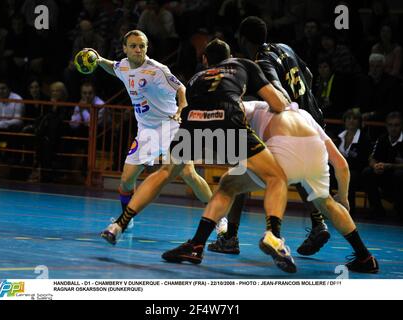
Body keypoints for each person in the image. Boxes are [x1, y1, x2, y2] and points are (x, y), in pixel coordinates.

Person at [161, 39, 293, 272]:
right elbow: (280, 103)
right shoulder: (258, 86)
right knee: (231, 184)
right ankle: (210, 242)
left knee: (260, 180)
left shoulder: (236, 99)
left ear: (206, 61)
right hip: (301, 149)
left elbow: (271, 105)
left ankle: (271, 235)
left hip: (268, 146)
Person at [213, 100, 379, 273]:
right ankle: (365, 257)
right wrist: (343, 198)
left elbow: (233, 111)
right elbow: (341, 164)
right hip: (313, 153)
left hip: (282, 151)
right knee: (328, 203)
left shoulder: (254, 108)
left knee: (229, 183)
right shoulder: (304, 115)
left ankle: (207, 242)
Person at [210, 16, 328, 257]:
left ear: (242, 39)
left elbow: (280, 98)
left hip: (290, 123)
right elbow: (309, 75)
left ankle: (231, 237)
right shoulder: (284, 49)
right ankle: (318, 224)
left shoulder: (261, 62)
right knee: (297, 175)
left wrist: (251, 106)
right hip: (312, 116)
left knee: (242, 165)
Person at [86, 30, 217, 244]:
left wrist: (182, 108)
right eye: (134, 46)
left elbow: (181, 88)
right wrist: (98, 59)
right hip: (146, 131)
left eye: (142, 46)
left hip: (170, 125)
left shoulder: (157, 70)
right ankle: (127, 220)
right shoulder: (124, 66)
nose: (138, 49)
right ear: (125, 49)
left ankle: (219, 221)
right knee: (126, 180)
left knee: (188, 173)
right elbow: (114, 68)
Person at [362, 112, 403, 218]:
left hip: (397, 175)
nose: (393, 128)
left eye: (396, 125)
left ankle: (399, 210)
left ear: (401, 126)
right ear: (386, 126)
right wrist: (375, 165)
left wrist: (391, 166)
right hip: (384, 172)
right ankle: (377, 209)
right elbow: (371, 157)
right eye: (390, 125)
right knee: (367, 172)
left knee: (399, 175)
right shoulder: (382, 139)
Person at [335, 109, 372, 215]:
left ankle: (349, 210)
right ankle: (328, 208)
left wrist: (343, 166)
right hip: (339, 171)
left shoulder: (364, 139)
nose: (351, 121)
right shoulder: (339, 137)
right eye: (348, 118)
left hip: (356, 172)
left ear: (359, 122)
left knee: (350, 176)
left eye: (355, 118)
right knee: (325, 174)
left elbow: (362, 161)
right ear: (345, 121)